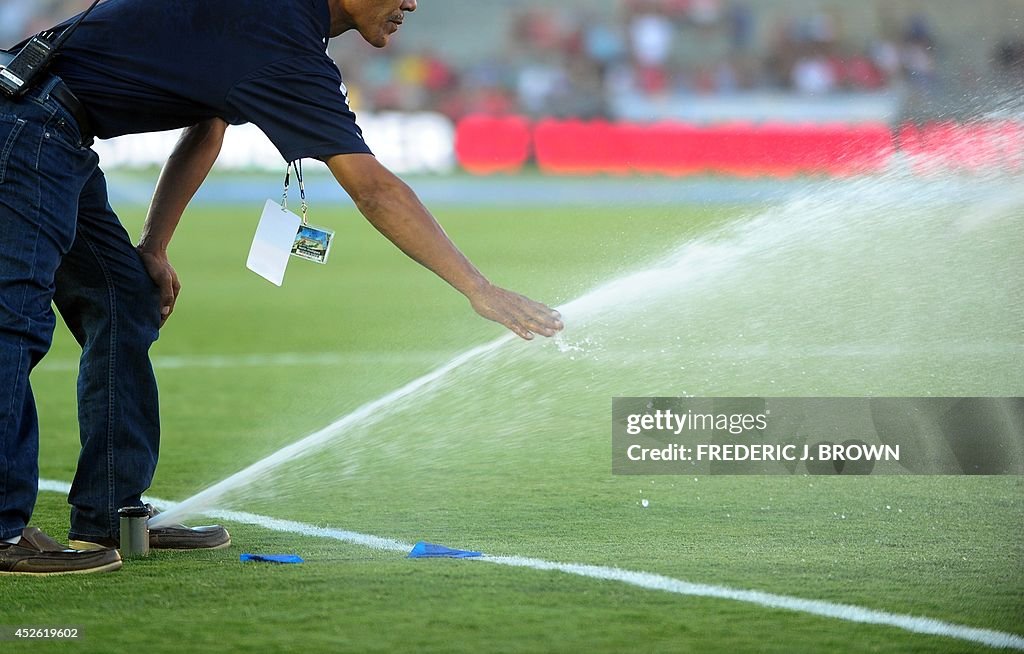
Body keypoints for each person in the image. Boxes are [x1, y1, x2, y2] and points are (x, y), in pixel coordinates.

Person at [0, 0, 563, 575]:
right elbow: (373, 189)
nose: (412, 3)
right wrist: (478, 288)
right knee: (11, 322)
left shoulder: (269, 24)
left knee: (124, 301)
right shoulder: (279, 36)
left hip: (46, 126)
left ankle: (112, 516)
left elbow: (207, 124)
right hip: (27, 124)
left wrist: (155, 246)